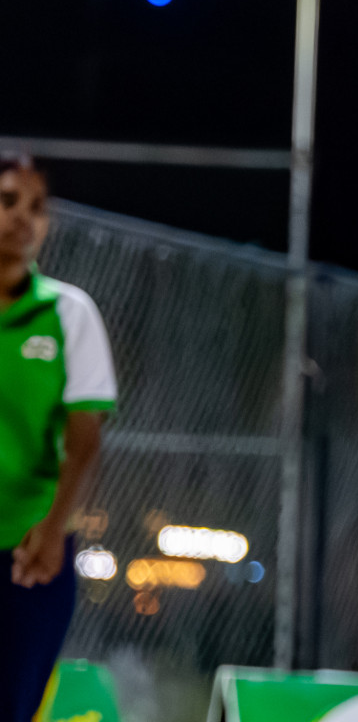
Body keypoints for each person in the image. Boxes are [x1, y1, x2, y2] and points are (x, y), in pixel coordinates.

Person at [0, 154, 117, 722]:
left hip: (29, 551)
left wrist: (52, 529)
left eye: (38, 208)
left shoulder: (69, 313)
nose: (24, 218)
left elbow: (85, 438)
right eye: (8, 201)